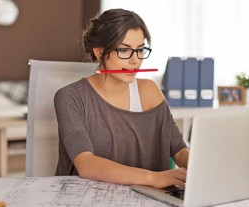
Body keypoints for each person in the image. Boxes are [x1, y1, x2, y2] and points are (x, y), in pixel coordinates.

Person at [54, 8, 189, 189]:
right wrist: (153, 178)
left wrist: (204, 169)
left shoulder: (149, 91)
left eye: (140, 50)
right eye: (125, 50)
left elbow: (179, 149)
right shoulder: (70, 97)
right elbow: (86, 164)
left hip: (148, 199)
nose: (135, 61)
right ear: (99, 52)